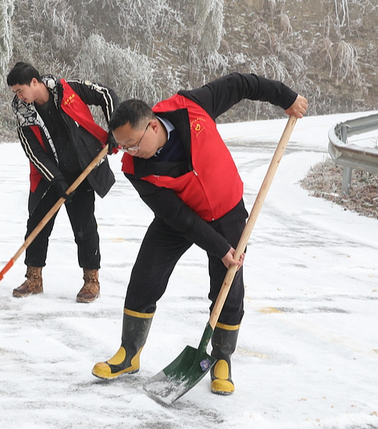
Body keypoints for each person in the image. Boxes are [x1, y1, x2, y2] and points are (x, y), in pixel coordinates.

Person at [91, 73, 308, 395]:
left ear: (152, 126)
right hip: (180, 218)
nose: (130, 153)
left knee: (228, 287)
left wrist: (286, 97)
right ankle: (129, 353)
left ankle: (222, 359)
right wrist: (220, 247)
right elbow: (179, 217)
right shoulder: (135, 170)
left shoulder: (191, 106)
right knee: (145, 276)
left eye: (133, 145)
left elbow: (240, 84)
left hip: (227, 210)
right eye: (123, 147)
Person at [6, 62, 119, 303]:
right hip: (49, 176)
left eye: (19, 90)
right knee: (37, 224)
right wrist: (55, 179)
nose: (18, 96)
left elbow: (106, 95)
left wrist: (115, 128)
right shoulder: (23, 114)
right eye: (15, 92)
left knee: (84, 227)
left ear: (34, 82)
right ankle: (34, 278)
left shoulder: (68, 89)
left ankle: (91, 281)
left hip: (81, 169)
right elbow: (33, 151)